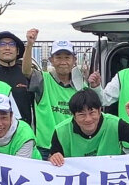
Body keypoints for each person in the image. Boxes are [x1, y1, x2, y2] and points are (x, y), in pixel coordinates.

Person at [22, 30, 90, 159]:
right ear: (51, 60)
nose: (63, 61)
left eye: (67, 57)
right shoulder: (42, 79)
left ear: (74, 60)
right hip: (45, 148)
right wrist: (29, 45)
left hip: (72, 147)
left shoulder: (81, 85)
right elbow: (26, 71)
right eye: (58, 57)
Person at [47, 90, 129, 165]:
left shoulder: (114, 124)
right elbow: (51, 159)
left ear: (99, 110)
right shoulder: (60, 131)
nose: (88, 119)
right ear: (74, 116)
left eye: (92, 112)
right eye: (82, 114)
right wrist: (54, 158)